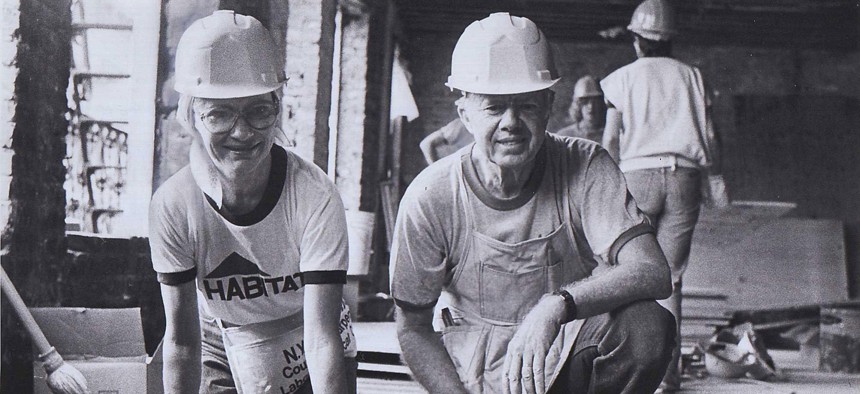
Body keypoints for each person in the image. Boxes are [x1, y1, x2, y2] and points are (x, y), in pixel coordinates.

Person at [390, 12, 676, 394]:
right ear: (465, 115)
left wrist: (555, 306)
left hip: (565, 356)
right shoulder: (431, 196)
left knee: (647, 326)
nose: (511, 122)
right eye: (494, 107)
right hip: (477, 376)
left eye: (526, 105)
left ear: (548, 106)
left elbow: (652, 271)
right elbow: (412, 328)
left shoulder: (586, 165)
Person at [148, 11, 356, 394]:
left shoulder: (314, 196)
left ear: (278, 109)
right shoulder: (175, 206)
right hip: (222, 337)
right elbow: (181, 343)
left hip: (303, 331)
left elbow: (322, 338)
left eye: (259, 112)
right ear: (192, 116)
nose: (242, 133)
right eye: (220, 114)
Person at [600, 0, 730, 390]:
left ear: (637, 40)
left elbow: (609, 141)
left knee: (626, 271)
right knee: (670, 279)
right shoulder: (693, 76)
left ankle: (625, 372)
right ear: (671, 41)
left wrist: (606, 189)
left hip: (637, 174)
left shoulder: (620, 78)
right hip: (684, 177)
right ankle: (666, 380)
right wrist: (716, 176)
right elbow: (709, 136)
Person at [554, 75, 606, 143]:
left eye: (596, 101)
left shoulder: (612, 134)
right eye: (585, 101)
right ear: (577, 104)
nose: (591, 106)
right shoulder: (565, 136)